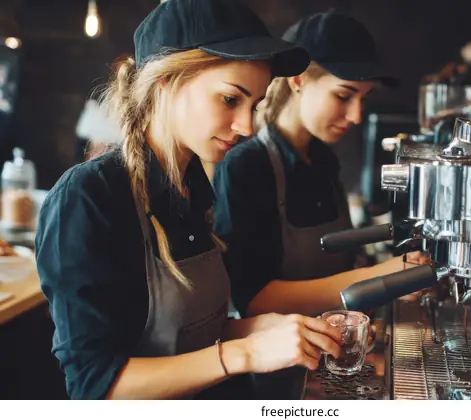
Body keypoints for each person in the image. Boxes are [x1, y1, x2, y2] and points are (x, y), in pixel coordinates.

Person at [34, 0, 342, 400]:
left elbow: (182, 338)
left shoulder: (194, 187)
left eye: (254, 105)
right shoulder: (89, 198)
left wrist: (266, 329)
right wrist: (245, 352)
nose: (247, 125)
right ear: (167, 81)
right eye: (231, 99)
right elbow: (96, 386)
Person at [213, 9, 422, 321]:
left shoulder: (323, 158)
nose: (356, 116)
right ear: (297, 81)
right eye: (343, 96)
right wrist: (382, 277)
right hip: (278, 363)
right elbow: (254, 300)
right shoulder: (246, 166)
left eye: (363, 99)